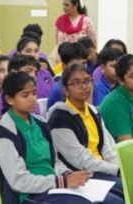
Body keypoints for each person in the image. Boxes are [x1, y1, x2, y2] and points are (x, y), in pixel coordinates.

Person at [0, 71, 123, 204]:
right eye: (25, 95)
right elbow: (19, 181)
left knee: (116, 203)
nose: (33, 99)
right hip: (28, 195)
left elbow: (55, 162)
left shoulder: (40, 123)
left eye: (34, 93)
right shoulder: (3, 132)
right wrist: (61, 181)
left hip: (54, 185)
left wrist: (68, 174)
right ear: (10, 99)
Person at [48, 64, 122, 196]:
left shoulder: (93, 111)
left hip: (103, 168)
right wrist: (115, 170)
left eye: (87, 81)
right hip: (81, 174)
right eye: (76, 83)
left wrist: (119, 167)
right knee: (124, 190)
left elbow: (107, 147)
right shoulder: (59, 118)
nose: (84, 86)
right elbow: (80, 160)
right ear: (66, 90)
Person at [53, 0, 96, 65]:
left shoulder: (86, 21)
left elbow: (93, 42)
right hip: (63, 59)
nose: (64, 7)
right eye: (63, 5)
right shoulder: (60, 21)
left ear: (75, 5)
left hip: (80, 60)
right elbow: (57, 43)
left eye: (67, 5)